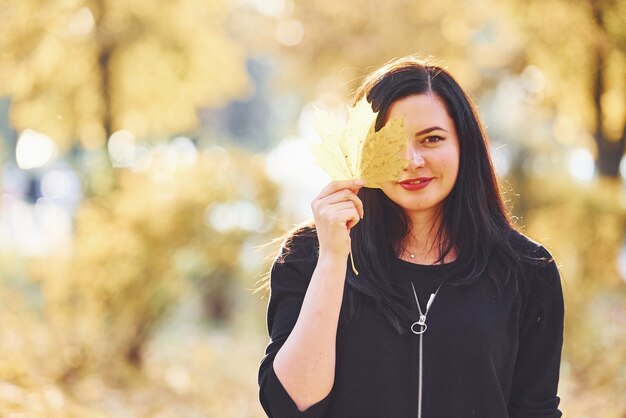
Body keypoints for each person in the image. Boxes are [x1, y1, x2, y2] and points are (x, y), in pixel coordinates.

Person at [257, 56, 565, 418]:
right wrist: (333, 259)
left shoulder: (527, 269)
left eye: (431, 139)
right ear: (360, 153)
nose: (411, 160)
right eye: (388, 143)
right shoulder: (309, 256)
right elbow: (289, 404)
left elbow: (534, 409)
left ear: (464, 145)